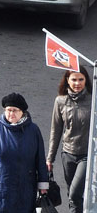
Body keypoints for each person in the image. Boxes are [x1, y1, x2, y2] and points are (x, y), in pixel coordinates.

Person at [0, 92, 50, 212]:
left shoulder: (33, 130)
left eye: (14, 110)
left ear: (22, 112)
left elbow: (40, 158)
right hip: (1, 183)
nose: (11, 113)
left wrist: (43, 183)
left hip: (25, 184)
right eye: (8, 110)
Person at [48, 69, 91, 213]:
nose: (77, 83)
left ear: (86, 80)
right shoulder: (60, 101)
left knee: (74, 193)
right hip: (68, 154)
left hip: (87, 154)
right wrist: (50, 159)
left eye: (81, 79)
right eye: (74, 79)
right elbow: (56, 131)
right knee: (72, 195)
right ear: (67, 80)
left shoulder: (93, 99)